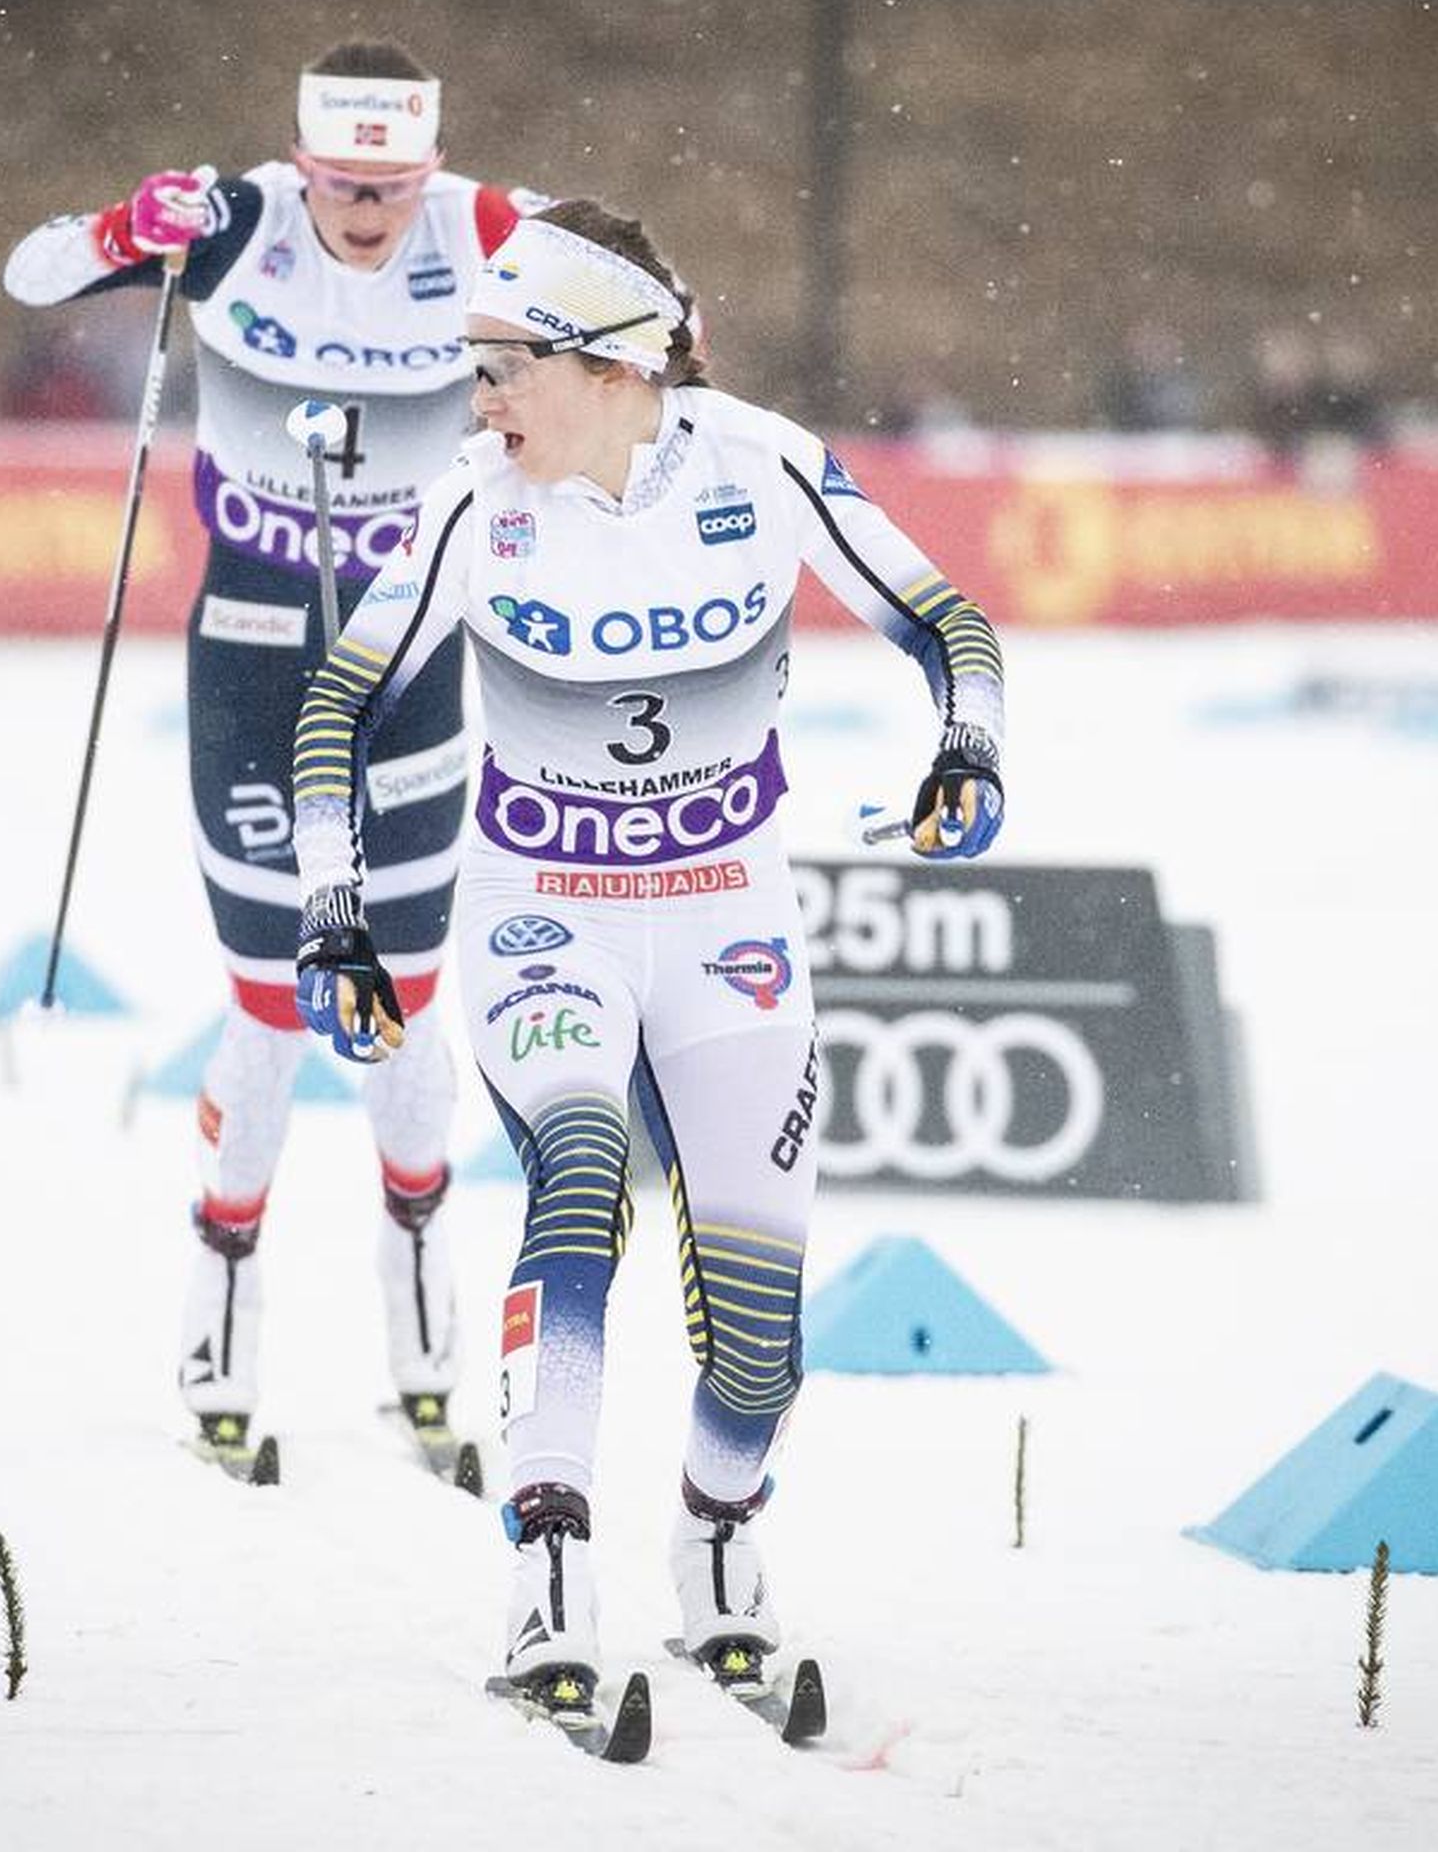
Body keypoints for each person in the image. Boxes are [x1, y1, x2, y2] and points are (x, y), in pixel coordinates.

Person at [285, 200, 1007, 1721]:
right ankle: (548, 1566)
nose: (477, 406)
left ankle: (718, 1543)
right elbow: (338, 709)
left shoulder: (761, 464)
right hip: (544, 909)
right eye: (470, 372)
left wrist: (968, 753)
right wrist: (337, 909)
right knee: (582, 1173)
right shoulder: (472, 506)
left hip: (729, 923)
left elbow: (947, 620)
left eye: (502, 371)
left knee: (759, 1344)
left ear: (611, 364)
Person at [1, 41, 545, 1472]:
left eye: (393, 186)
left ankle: (420, 1309)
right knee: (270, 1002)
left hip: (409, 648)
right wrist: (130, 230)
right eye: (344, 186)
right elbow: (31, 274)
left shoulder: (486, 229)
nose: (368, 213)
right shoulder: (233, 221)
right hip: (250, 640)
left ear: (427, 169)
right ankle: (221, 1304)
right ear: (301, 164)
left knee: (404, 1007)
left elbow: (651, 311)